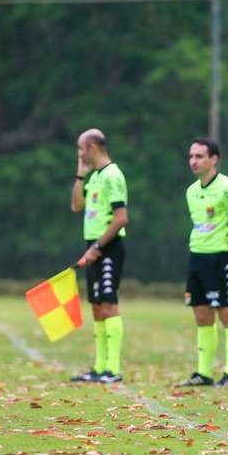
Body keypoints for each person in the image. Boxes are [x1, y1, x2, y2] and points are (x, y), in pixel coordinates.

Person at [180, 138, 228, 388]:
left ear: (214, 159)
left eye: (199, 156)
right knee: (202, 316)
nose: (193, 161)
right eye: (191, 156)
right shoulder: (191, 191)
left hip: (221, 257)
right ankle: (203, 373)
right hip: (197, 255)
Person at [70, 128, 128, 384]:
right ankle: (99, 367)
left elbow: (121, 218)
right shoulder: (94, 177)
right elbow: (76, 205)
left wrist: (97, 247)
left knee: (108, 304)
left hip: (108, 248)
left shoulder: (113, 175)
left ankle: (113, 369)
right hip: (92, 248)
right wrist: (80, 174)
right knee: (96, 307)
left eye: (81, 149)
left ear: (92, 147)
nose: (80, 154)